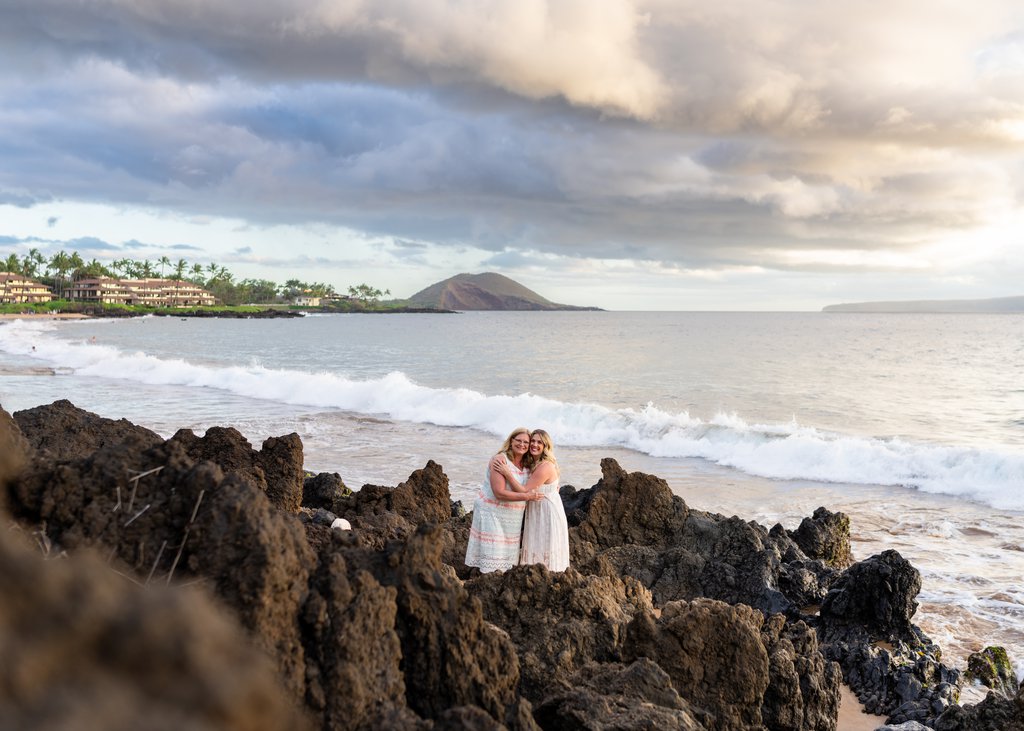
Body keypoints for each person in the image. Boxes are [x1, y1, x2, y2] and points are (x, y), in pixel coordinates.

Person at [464, 428, 542, 573]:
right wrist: (526, 497)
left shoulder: (528, 464)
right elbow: (499, 493)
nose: (522, 444)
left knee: (506, 562)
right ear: (511, 441)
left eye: (526, 442)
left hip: (512, 519)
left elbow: (539, 478)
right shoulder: (500, 459)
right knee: (493, 557)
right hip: (492, 512)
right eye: (518, 440)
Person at [493, 429, 570, 571]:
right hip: (537, 509)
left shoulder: (545, 465)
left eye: (539, 442)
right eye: (533, 441)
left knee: (545, 545)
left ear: (546, 446)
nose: (534, 444)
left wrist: (507, 473)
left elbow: (524, 490)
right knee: (537, 545)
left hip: (546, 512)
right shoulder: (534, 463)